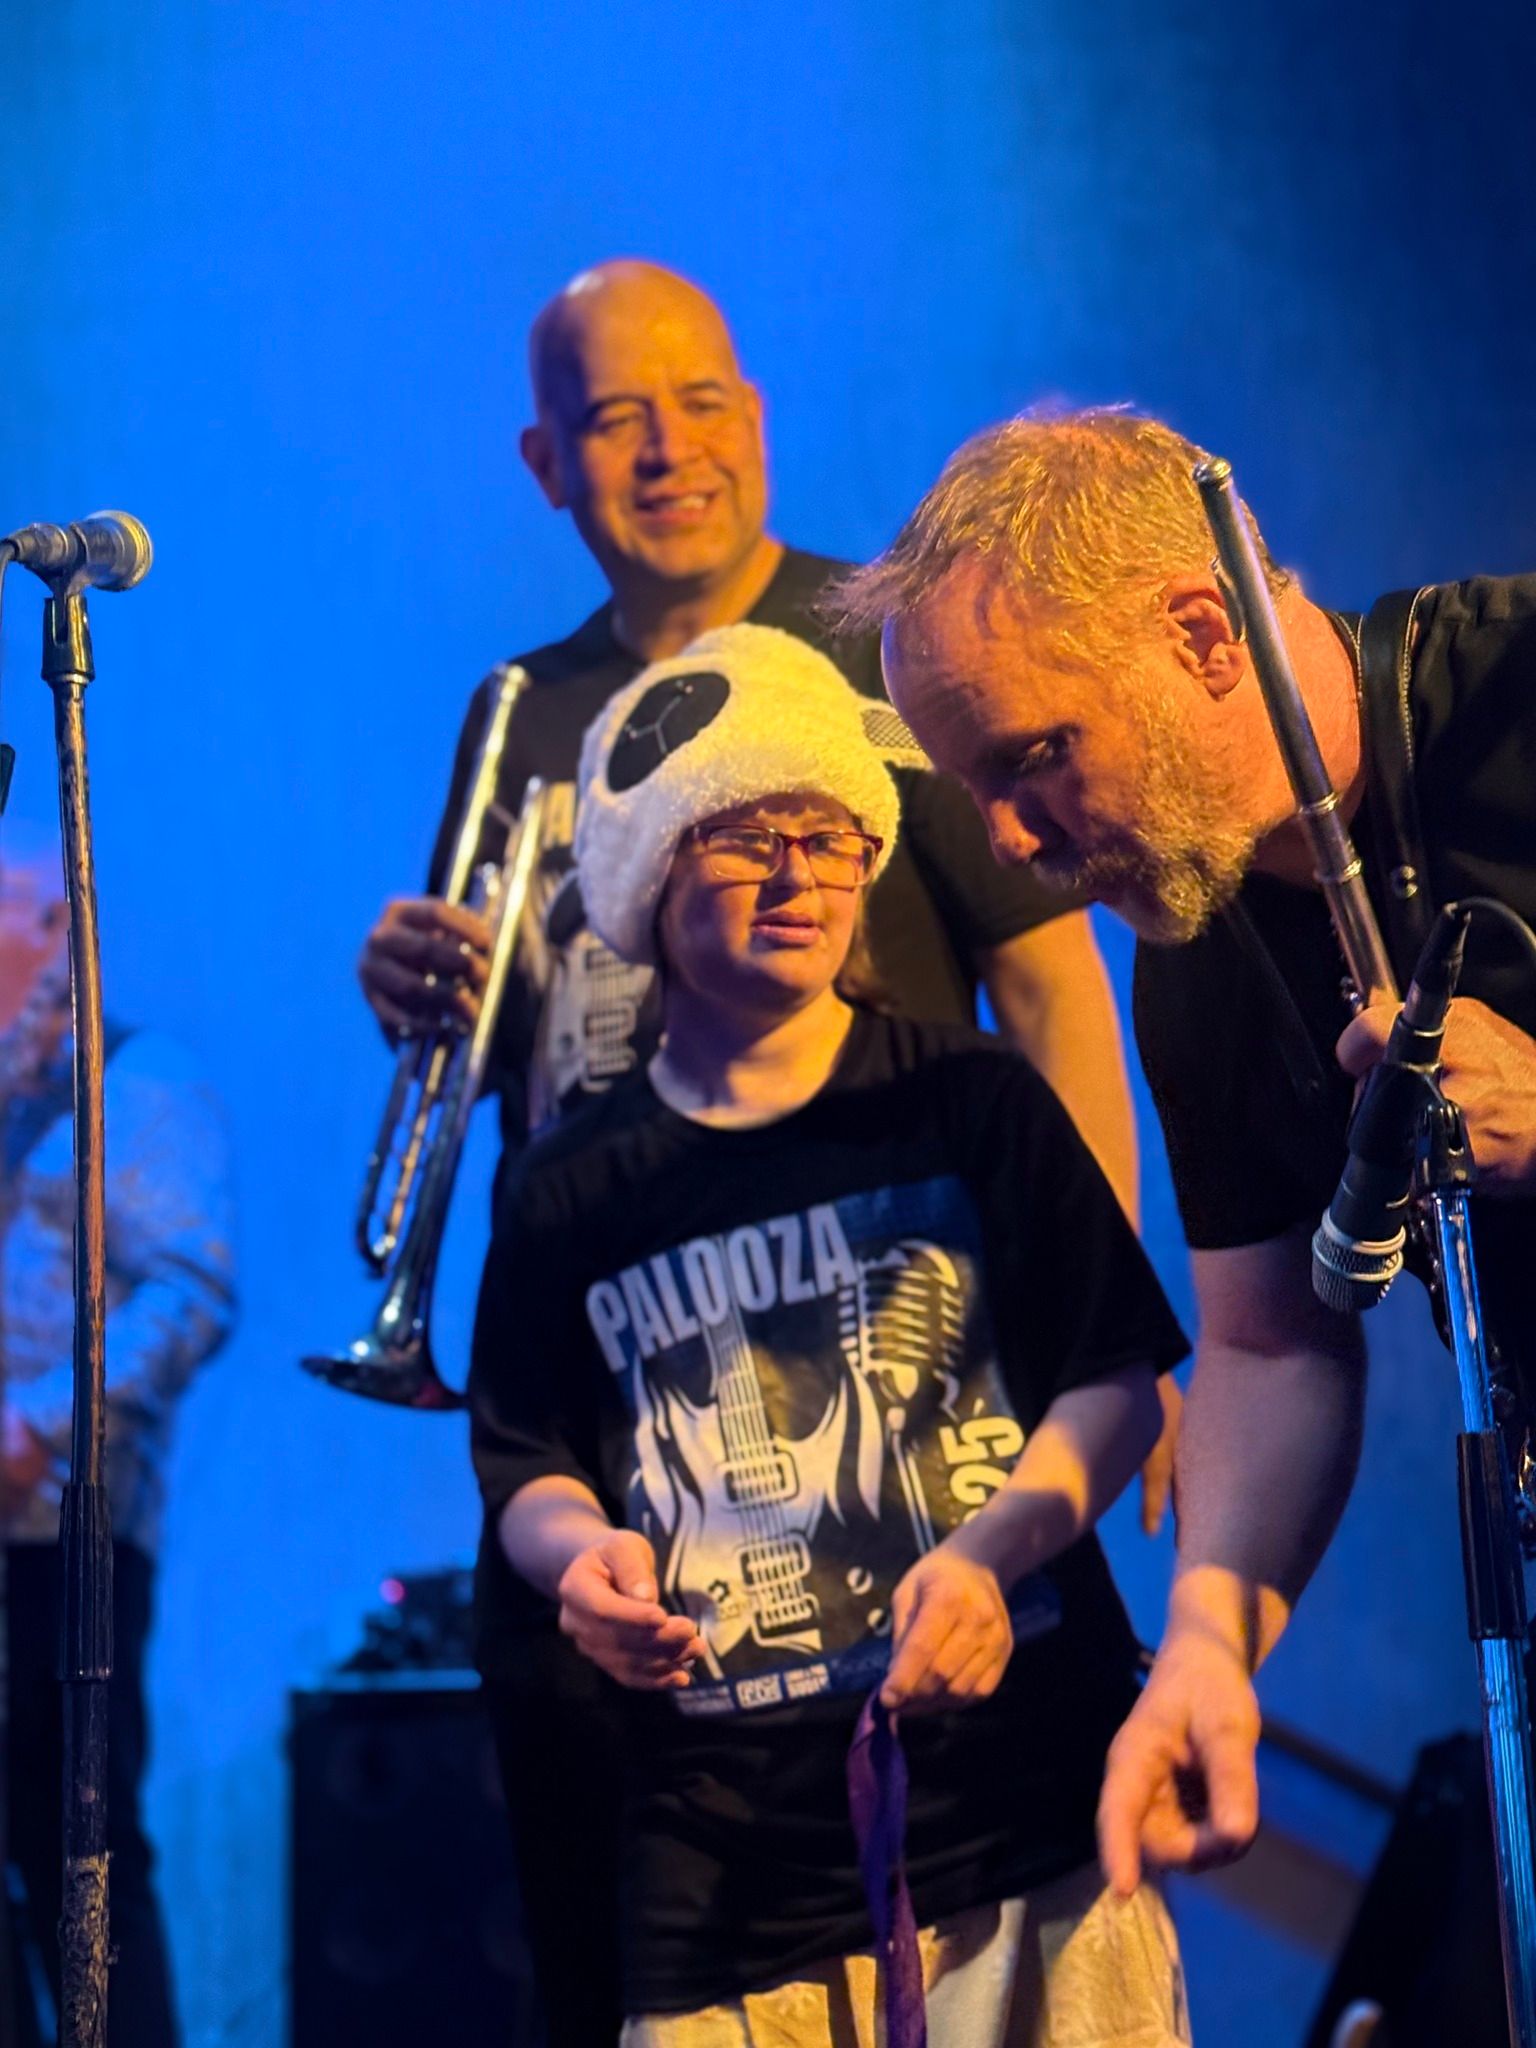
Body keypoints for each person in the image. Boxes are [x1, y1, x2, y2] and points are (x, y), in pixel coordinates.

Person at [355, 264, 1173, 2042]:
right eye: (617, 415)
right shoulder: (522, 710)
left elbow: (1048, 976)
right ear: (545, 461)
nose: (672, 449)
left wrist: (1101, 1338)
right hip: (636, 1359)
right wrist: (416, 983)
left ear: (760, 410)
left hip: (915, 1364)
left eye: (705, 398)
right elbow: (506, 1019)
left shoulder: (876, 645)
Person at [831, 405, 1536, 1899]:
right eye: (973, 795)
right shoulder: (1196, 941)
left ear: (1207, 633)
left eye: (1034, 758)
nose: (1010, 843)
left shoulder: (1516, 693)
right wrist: (1210, 1650)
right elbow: (1273, 1345)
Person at [470, 622, 1193, 2046]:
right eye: (746, 840)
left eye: (832, 835)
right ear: (647, 877)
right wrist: (582, 1563)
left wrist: (995, 1554)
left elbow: (1115, 1379)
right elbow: (528, 1463)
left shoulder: (971, 1101)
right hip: (719, 1870)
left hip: (1023, 1820)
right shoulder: (568, 1180)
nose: (800, 874)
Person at [0, 831, 237, 2046]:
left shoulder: (137, 1082)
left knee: (77, 1851)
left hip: (65, 1537)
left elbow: (191, 1289)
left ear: (51, 931)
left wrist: (38, 1427)